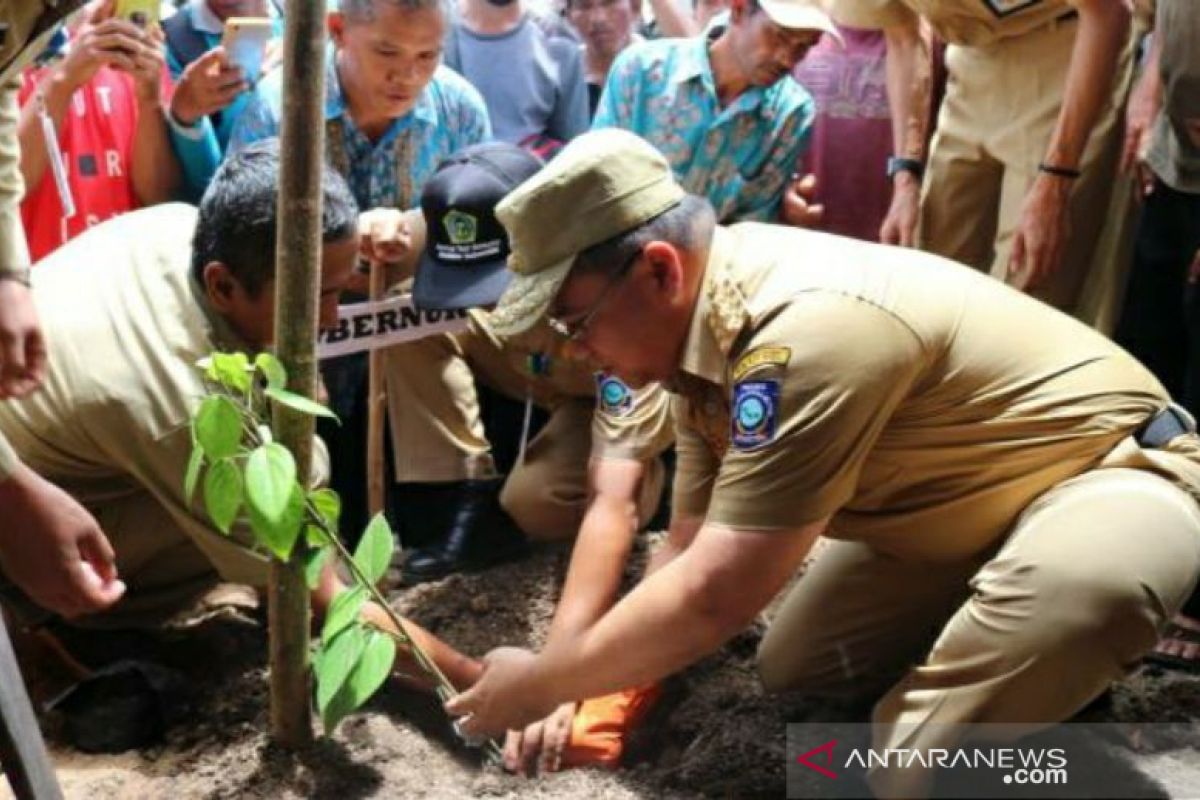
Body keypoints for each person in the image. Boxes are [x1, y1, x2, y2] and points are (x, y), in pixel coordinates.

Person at [444, 129, 1200, 797]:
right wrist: (587, 687)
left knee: (910, 765)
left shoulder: (801, 333)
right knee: (800, 672)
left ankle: (1101, 767)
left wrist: (544, 680)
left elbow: (719, 593)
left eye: (575, 321)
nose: (575, 350)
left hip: (1111, 477)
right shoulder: (701, 343)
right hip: (970, 510)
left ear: (659, 271)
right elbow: (688, 545)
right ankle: (1024, 691)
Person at [0, 140, 476, 691]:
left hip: (52, 447)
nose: (328, 319)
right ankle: (64, 621)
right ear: (222, 285)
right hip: (26, 526)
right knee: (259, 520)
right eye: (313, 297)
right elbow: (309, 582)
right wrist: (467, 679)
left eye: (337, 291)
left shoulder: (183, 225)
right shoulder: (184, 411)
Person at [231, 0, 492, 540]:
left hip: (420, 356)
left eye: (428, 55)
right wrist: (344, 252)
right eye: (387, 52)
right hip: (302, 355)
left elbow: (482, 234)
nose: (408, 75)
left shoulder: (460, 110)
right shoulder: (280, 108)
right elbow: (245, 241)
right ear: (336, 32)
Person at [382, 142, 672, 586]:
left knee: (538, 501)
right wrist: (372, 228)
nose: (487, 297)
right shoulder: (463, 211)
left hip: (607, 386)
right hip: (531, 363)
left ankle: (661, 485)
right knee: (404, 314)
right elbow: (357, 255)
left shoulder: (606, 266)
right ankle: (463, 500)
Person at [836, 0, 1134, 320]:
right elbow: (902, 34)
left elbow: (1107, 12)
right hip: (971, 52)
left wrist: (1056, 180)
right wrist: (905, 175)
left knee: (1027, 283)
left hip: (1065, 46)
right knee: (929, 264)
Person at [1113, 0, 1200, 673]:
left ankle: (1194, 594)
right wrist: (1149, 86)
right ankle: (1128, 560)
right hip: (1176, 161)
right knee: (1146, 373)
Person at [591, 0, 834, 226]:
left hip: (714, 266)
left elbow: (752, 227)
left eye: (803, 47)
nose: (787, 59)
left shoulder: (791, 114)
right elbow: (599, 180)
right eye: (779, 36)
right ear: (739, 10)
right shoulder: (641, 70)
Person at [18, 0, 179, 261]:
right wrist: (63, 80)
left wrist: (150, 102)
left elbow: (159, 197)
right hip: (38, 284)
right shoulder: (13, 48)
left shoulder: (135, 46)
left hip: (121, 282)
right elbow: (11, 184)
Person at [444, 0, 589, 154]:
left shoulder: (557, 41)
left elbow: (573, 154)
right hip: (454, 170)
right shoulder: (435, 31)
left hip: (533, 171)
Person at [564, 0, 641, 117]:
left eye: (610, 3)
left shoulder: (662, 71)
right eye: (585, 7)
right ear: (569, 16)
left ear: (635, 6)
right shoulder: (560, 78)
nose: (598, 19)